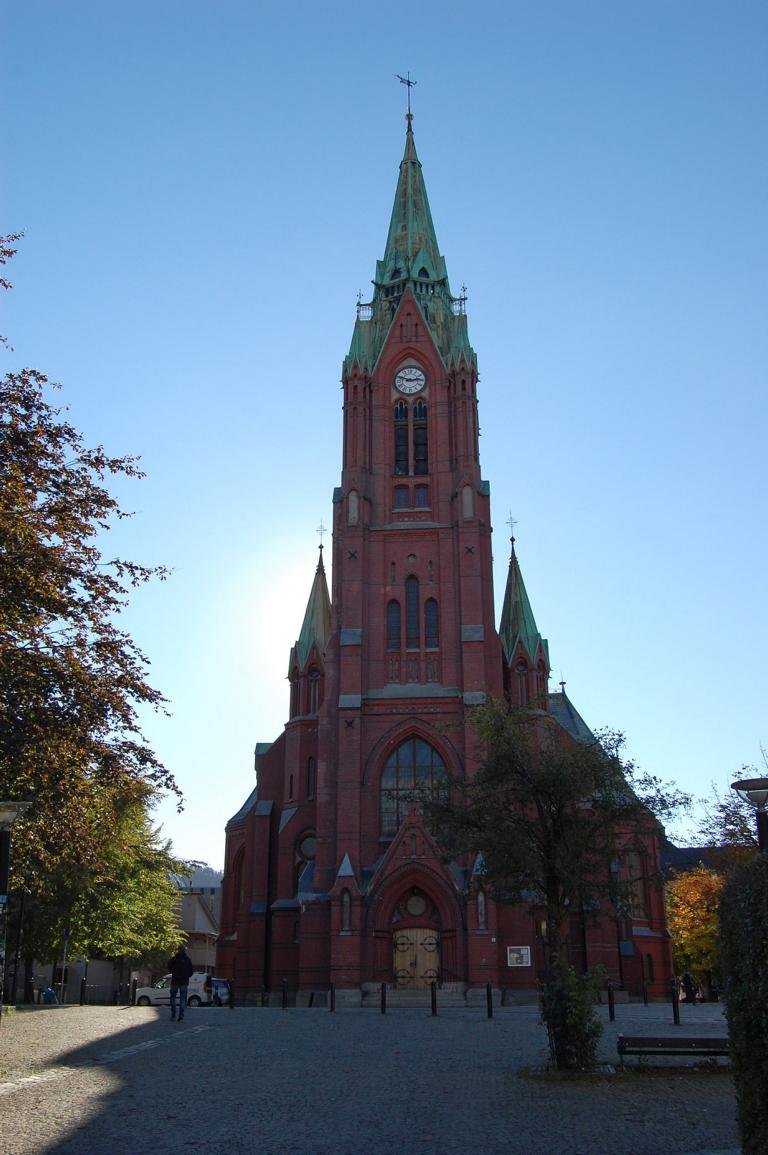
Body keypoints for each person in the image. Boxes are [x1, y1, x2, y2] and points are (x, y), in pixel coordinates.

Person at [168, 945, 194, 1021]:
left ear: (178, 950)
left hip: (175, 981)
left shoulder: (174, 959)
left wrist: (173, 972)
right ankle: (181, 1015)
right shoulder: (187, 959)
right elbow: (191, 971)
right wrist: (186, 976)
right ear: (184, 950)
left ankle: (173, 1015)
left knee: (173, 997)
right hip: (184, 982)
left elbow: (169, 966)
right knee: (182, 999)